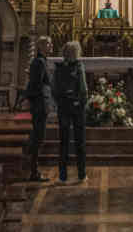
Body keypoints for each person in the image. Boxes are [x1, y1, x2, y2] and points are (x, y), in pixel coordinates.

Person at [52, 40, 88, 185]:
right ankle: (81, 174)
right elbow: (84, 89)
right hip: (77, 108)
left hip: (63, 108)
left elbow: (54, 89)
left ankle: (62, 176)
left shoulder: (58, 67)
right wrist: (80, 103)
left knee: (64, 142)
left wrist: (61, 102)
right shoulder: (79, 67)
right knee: (80, 142)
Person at [25, 35, 53, 182]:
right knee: (38, 137)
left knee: (38, 136)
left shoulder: (40, 61)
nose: (51, 46)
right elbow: (36, 84)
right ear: (41, 46)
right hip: (41, 104)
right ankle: (33, 171)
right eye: (48, 44)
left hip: (41, 103)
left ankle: (31, 168)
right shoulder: (40, 62)